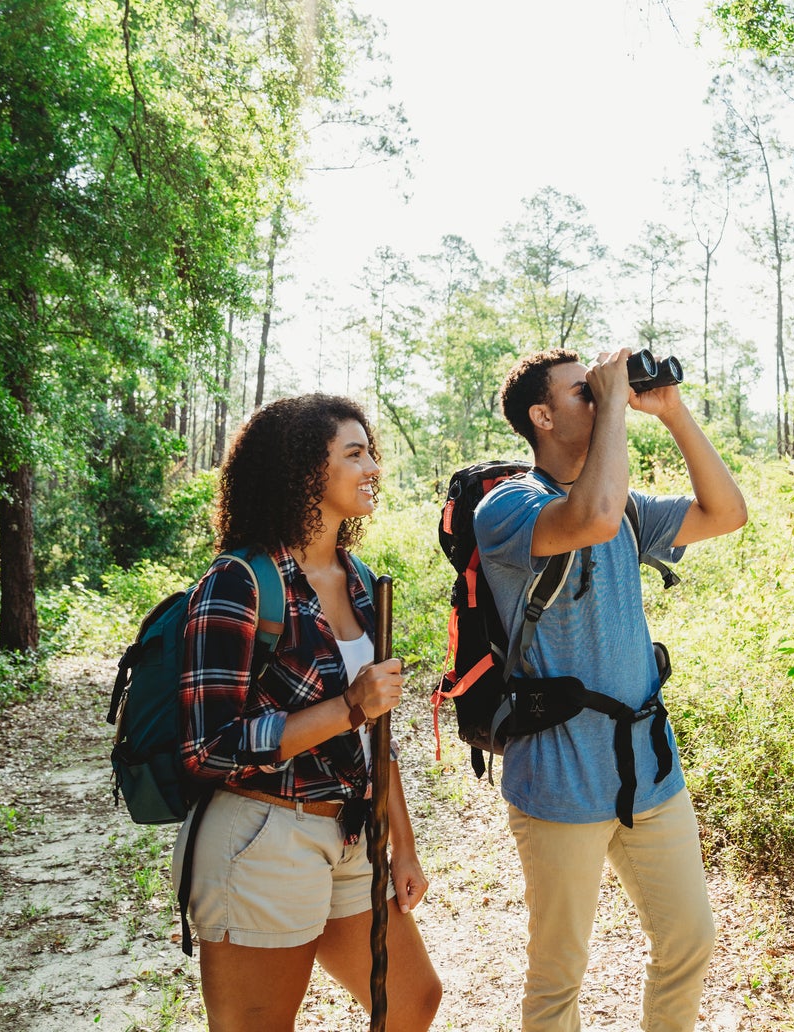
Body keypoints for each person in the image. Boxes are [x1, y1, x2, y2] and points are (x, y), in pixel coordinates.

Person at [474, 347, 748, 1032]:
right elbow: (587, 516)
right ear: (541, 416)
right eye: (584, 394)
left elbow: (727, 512)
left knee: (690, 937)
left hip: (650, 773)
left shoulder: (625, 508)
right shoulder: (509, 506)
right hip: (561, 779)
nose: (602, 400)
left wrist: (674, 413)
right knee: (558, 974)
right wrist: (616, 409)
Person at [173, 393, 441, 1032]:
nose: (372, 466)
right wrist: (347, 708)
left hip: (350, 834)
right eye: (354, 454)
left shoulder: (361, 581)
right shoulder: (239, 583)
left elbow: (380, 732)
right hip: (263, 832)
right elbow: (208, 749)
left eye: (370, 451)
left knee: (411, 1000)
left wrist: (402, 846)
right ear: (302, 472)